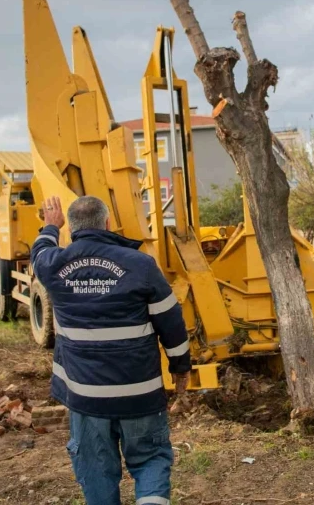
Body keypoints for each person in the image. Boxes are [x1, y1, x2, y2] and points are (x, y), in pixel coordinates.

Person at [30, 195, 191, 505]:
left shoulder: (54, 265)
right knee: (150, 460)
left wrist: (50, 226)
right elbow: (171, 322)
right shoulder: (141, 265)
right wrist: (180, 367)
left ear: (72, 228)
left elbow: (39, 253)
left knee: (96, 469)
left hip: (86, 396)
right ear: (106, 223)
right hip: (139, 393)